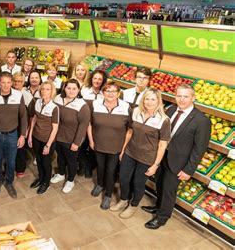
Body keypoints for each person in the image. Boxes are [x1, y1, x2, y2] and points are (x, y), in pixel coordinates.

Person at [142, 84, 210, 229]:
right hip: (162, 157)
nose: (182, 99)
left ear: (193, 97)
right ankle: (158, 207)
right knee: (159, 183)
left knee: (169, 190)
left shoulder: (201, 121)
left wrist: (189, 170)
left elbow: (199, 149)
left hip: (178, 163)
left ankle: (162, 217)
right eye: (179, 96)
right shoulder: (171, 109)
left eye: (186, 96)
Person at [111, 88, 169, 218]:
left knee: (138, 183)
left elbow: (162, 144)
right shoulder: (136, 111)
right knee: (124, 178)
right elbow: (130, 132)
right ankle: (123, 200)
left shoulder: (164, 120)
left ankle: (133, 205)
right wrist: (123, 150)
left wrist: (155, 165)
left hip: (146, 157)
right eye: (147, 99)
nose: (149, 102)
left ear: (158, 101)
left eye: (153, 99)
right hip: (130, 152)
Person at [0, 72, 27, 198]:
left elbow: (23, 117)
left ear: (12, 83)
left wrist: (22, 135)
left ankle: (9, 182)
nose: (6, 85)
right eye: (3, 82)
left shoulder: (18, 95)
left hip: (13, 134)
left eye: (8, 82)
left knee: (11, 162)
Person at [87, 82, 132, 210]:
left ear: (118, 93)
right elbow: (89, 124)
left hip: (115, 147)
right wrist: (91, 141)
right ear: (103, 93)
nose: (110, 93)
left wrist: (123, 148)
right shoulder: (95, 104)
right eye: (107, 91)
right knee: (100, 167)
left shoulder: (125, 107)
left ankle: (107, 195)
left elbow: (130, 129)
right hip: (98, 144)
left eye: (113, 91)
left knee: (111, 171)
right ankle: (100, 184)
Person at [51, 79, 90, 193]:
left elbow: (83, 126)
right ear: (64, 88)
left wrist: (76, 143)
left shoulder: (82, 105)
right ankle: (61, 174)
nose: (71, 91)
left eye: (74, 88)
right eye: (69, 88)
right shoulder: (58, 98)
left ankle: (70, 180)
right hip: (58, 136)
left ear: (79, 90)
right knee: (60, 157)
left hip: (71, 139)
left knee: (71, 161)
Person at [28, 81, 59, 194]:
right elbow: (34, 119)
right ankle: (40, 178)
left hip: (47, 140)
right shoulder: (37, 102)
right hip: (36, 137)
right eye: (43, 89)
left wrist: (48, 145)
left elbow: (55, 128)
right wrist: (30, 135)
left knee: (46, 162)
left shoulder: (54, 107)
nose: (44, 91)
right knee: (39, 160)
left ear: (52, 92)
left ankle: (46, 182)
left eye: (47, 89)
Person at [78, 69, 107, 178]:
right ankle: (82, 164)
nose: (97, 81)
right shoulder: (84, 90)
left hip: (96, 125)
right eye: (95, 78)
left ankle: (89, 167)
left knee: (93, 147)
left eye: (100, 79)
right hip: (83, 123)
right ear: (91, 79)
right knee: (81, 145)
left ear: (103, 81)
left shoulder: (104, 93)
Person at [12, 72, 34, 178]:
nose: (17, 83)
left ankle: (20, 169)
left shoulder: (27, 96)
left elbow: (31, 115)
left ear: (23, 82)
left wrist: (27, 130)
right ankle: (10, 167)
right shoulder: (8, 93)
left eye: (19, 81)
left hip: (22, 127)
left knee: (21, 149)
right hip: (10, 125)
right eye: (15, 81)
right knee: (10, 148)